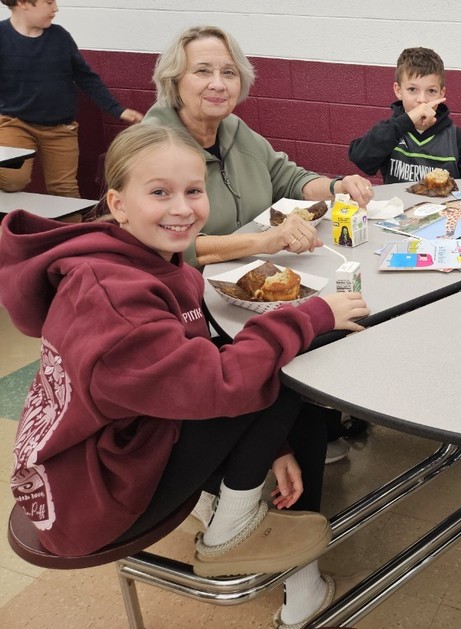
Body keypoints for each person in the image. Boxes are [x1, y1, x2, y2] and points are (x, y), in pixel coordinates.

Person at [0, 124, 371, 628]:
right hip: (88, 501)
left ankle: (255, 524)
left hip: (109, 453)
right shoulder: (113, 294)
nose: (182, 208)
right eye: (159, 193)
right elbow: (222, 384)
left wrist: (272, 443)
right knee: (284, 359)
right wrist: (312, 314)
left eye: (193, 191)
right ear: (118, 202)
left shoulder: (151, 260)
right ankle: (231, 534)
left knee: (264, 368)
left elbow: (193, 364)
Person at [143, 25, 374, 268]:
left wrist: (337, 186)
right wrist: (264, 241)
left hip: (253, 274)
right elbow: (169, 244)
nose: (218, 84)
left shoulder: (234, 129)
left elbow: (289, 179)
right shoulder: (151, 147)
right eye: (203, 71)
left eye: (229, 73)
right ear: (174, 79)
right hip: (185, 294)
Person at [0, 0, 143, 197]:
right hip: (15, 123)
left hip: (60, 129)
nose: (56, 8)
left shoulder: (60, 37)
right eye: (49, 2)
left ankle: (75, 228)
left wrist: (118, 109)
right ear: (24, 3)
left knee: (64, 190)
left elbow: (86, 77)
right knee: (12, 179)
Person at [348, 46, 461, 184]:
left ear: (441, 93)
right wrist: (407, 121)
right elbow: (360, 159)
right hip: (399, 209)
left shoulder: (455, 137)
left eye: (431, 91)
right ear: (398, 91)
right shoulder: (389, 131)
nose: (422, 100)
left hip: (441, 209)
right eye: (412, 89)